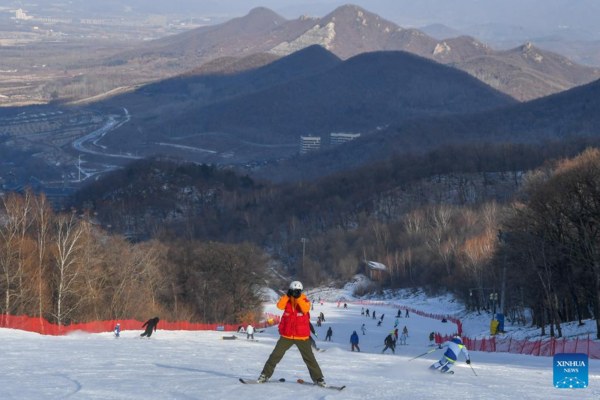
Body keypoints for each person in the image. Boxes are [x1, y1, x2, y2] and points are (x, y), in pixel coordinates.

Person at [258, 281, 326, 387]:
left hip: (302, 335)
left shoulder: (304, 299)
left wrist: (298, 297)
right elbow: (280, 306)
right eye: (293, 291)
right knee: (275, 355)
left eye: (297, 291)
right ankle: (264, 375)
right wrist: (287, 296)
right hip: (287, 335)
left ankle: (318, 379)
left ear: (301, 291)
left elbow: (305, 308)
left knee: (309, 358)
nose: (295, 292)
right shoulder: (287, 300)